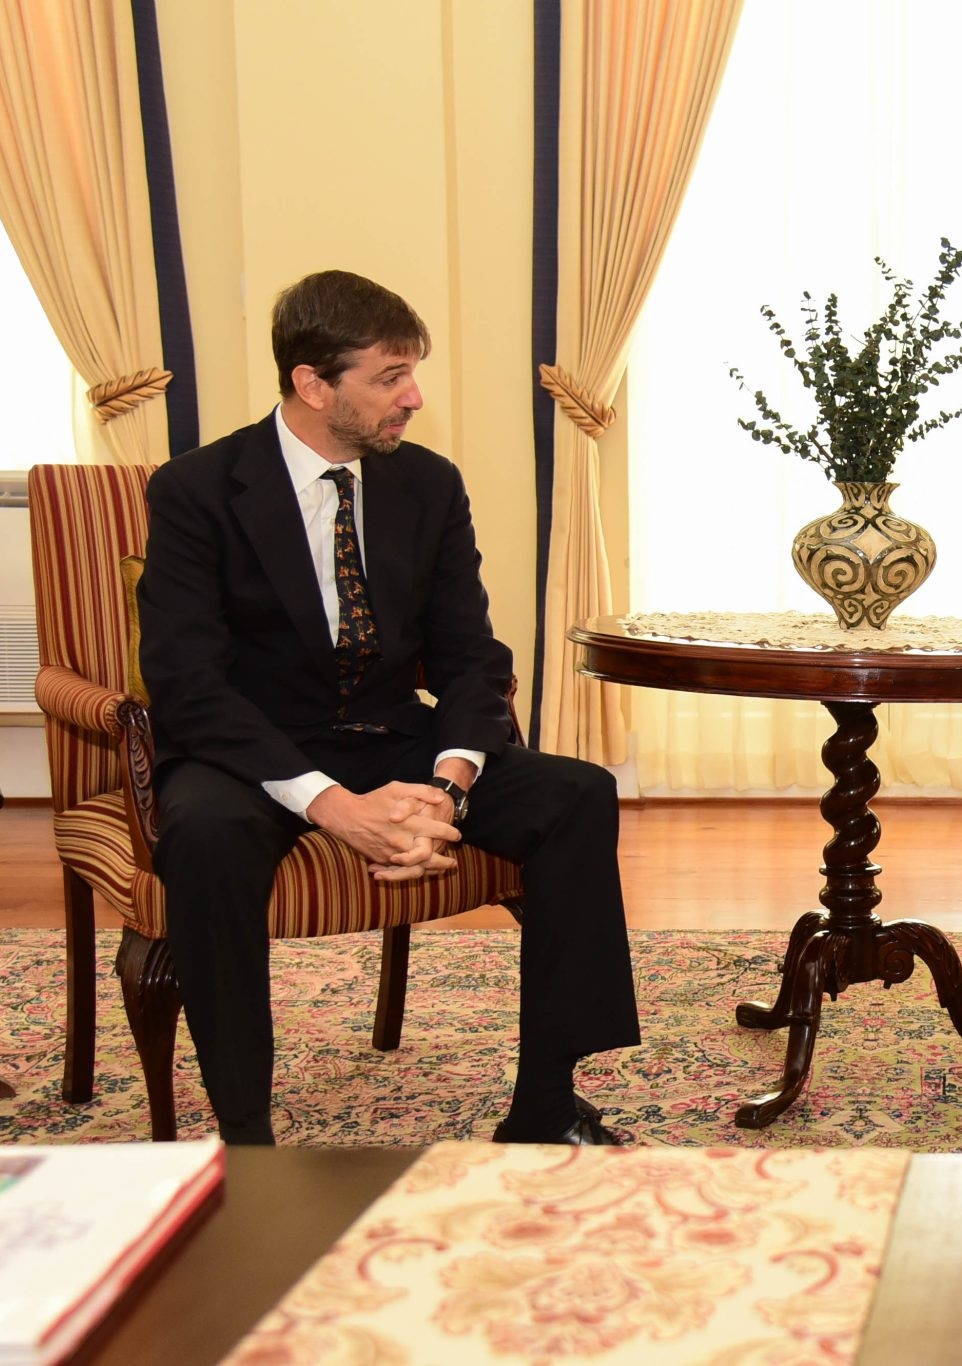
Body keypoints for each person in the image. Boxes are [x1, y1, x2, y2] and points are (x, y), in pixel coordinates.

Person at [137, 269, 639, 1146]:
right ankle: (245, 1136)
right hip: (248, 753)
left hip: (389, 736)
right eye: (389, 377)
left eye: (414, 373)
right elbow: (188, 683)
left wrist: (448, 785)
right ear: (311, 383)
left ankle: (546, 1107)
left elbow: (470, 655)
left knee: (578, 795)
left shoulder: (427, 486)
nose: (413, 397)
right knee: (206, 838)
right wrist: (333, 807)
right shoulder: (198, 491)